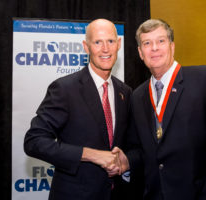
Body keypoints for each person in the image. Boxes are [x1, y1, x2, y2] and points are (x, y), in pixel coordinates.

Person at [114, 19, 206, 200]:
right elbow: (141, 151)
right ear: (140, 53)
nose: (154, 48)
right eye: (147, 43)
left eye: (161, 41)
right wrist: (127, 161)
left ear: (172, 46)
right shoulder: (137, 96)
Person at [24, 19, 132, 200]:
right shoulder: (64, 89)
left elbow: (133, 145)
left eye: (110, 41)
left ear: (118, 44)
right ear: (86, 47)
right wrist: (91, 155)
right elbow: (34, 142)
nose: (105, 49)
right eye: (97, 42)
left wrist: (126, 161)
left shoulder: (125, 92)